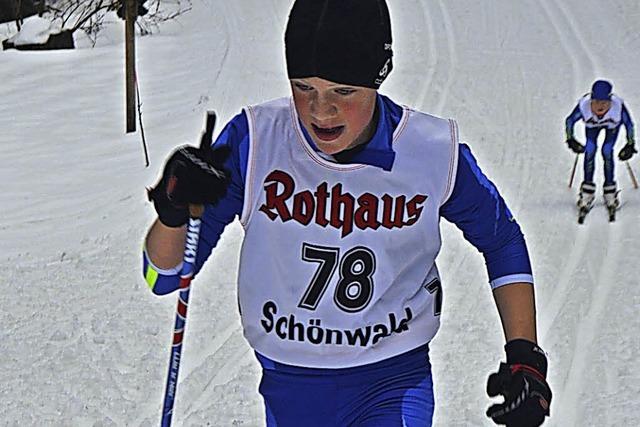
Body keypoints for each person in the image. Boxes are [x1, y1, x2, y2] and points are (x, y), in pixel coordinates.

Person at [143, 1, 552, 425]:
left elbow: (502, 239)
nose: (321, 110)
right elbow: (163, 277)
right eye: (304, 88)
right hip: (290, 384)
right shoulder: (255, 142)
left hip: (392, 379)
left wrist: (525, 355)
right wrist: (173, 209)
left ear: (378, 77)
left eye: (343, 91)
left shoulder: (430, 150)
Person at [565, 79, 637, 211]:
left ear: (610, 101)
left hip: (612, 128)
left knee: (607, 151)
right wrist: (571, 140)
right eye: (596, 102)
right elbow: (569, 121)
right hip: (592, 127)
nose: (600, 107)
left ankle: (610, 190)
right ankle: (587, 190)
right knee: (590, 151)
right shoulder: (584, 107)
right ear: (591, 100)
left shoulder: (618, 108)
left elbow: (629, 124)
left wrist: (630, 144)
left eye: (604, 103)